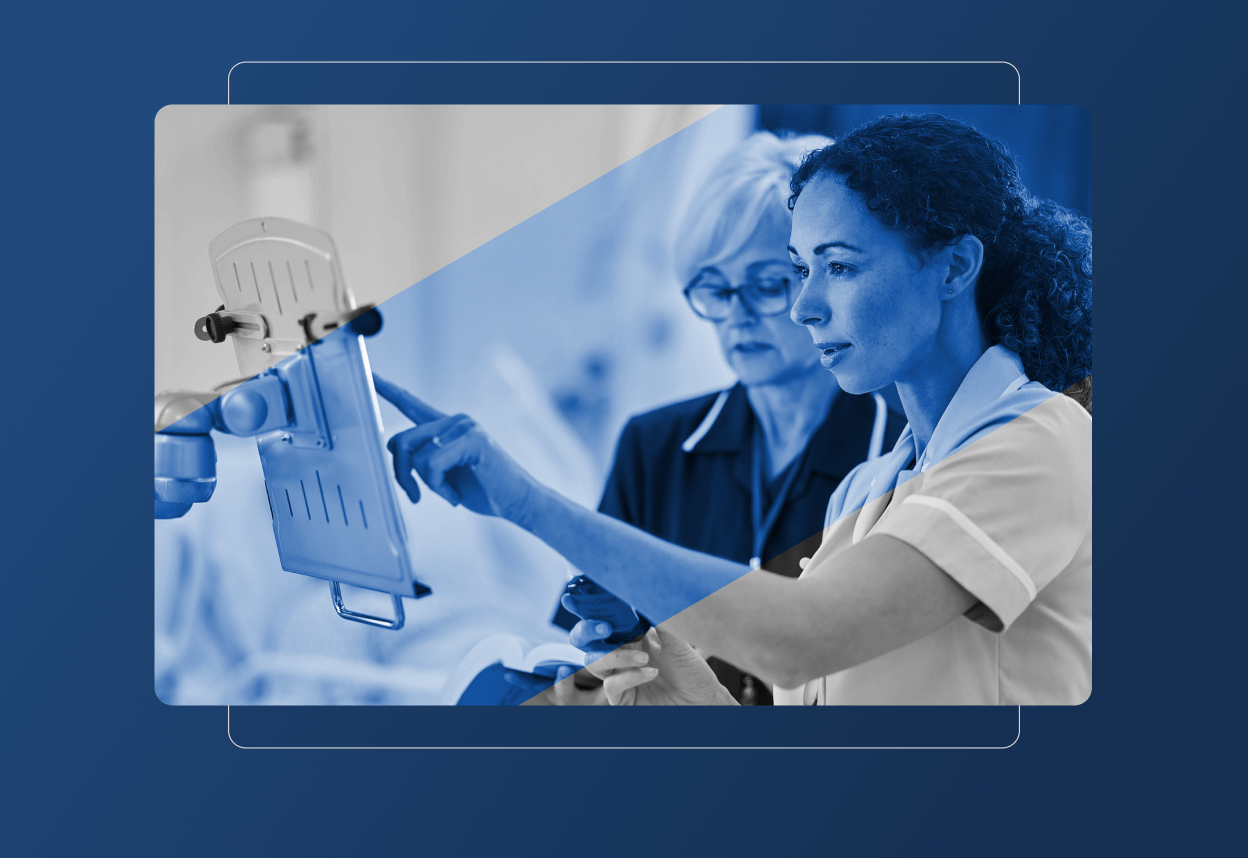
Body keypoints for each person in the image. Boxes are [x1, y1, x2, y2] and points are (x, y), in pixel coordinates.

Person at [375, 113, 1092, 706]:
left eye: (839, 266)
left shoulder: (1040, 440)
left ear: (955, 267)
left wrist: (524, 500)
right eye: (802, 270)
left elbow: (804, 635)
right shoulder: (867, 492)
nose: (805, 307)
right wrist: (677, 679)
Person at [549, 132, 903, 705]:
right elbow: (585, 667)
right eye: (715, 288)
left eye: (765, 286)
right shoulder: (653, 447)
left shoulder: (902, 457)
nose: (737, 316)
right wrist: (595, 673)